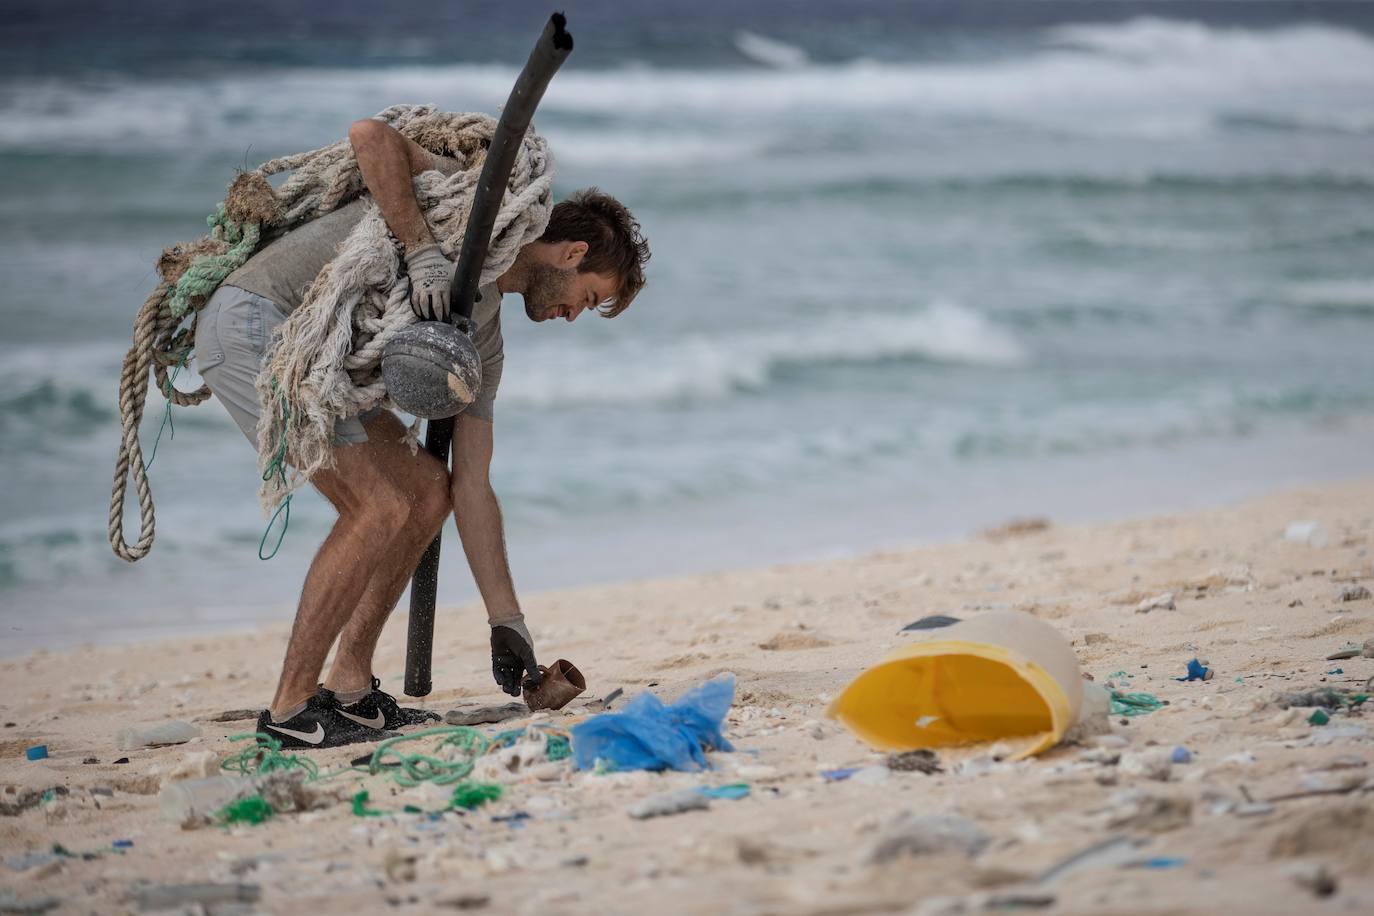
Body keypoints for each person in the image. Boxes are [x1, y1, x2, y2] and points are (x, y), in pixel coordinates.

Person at [194, 116, 649, 748]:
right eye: (589, 298)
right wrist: (422, 251)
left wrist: (506, 621)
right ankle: (291, 710)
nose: (574, 316)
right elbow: (370, 136)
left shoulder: (481, 339)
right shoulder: (473, 210)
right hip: (255, 324)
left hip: (311, 359)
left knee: (428, 490)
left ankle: (349, 691)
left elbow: (473, 486)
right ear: (572, 256)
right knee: (376, 505)